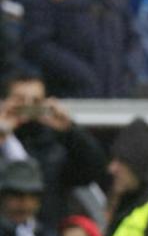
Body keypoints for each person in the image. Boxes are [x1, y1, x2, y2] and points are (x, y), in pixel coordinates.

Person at [20, 0, 139, 98]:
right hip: (68, 100)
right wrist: (81, 75)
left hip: (116, 98)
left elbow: (132, 37)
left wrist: (128, 73)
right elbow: (37, 44)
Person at [0, 69, 108, 227]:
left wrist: (70, 130)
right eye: (19, 100)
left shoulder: (55, 147)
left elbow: (94, 170)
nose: (28, 108)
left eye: (36, 102)